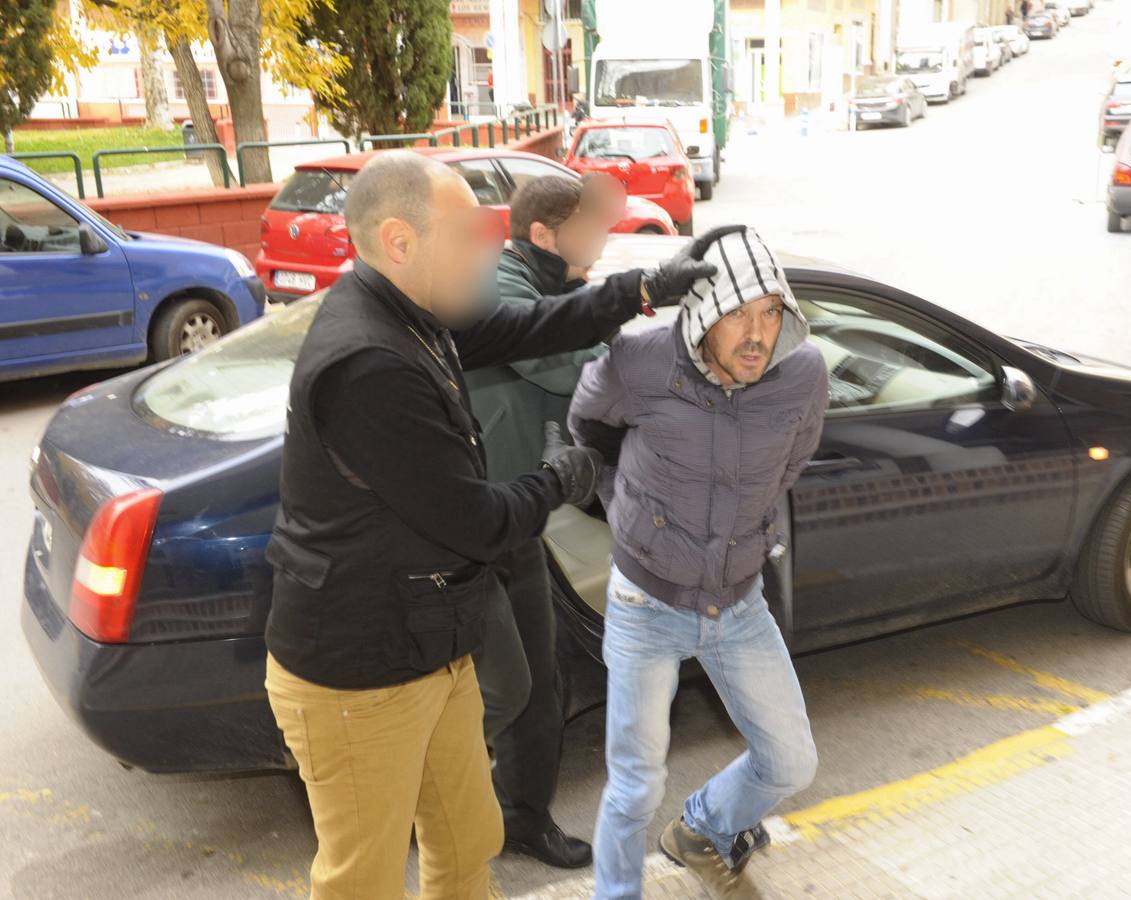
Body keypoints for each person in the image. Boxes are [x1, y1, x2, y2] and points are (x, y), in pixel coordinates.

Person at [262, 150, 718, 900]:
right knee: (362, 882)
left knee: (467, 841)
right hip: (358, 674)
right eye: (468, 234)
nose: (487, 250)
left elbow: (528, 326)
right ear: (401, 243)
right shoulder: (369, 362)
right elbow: (474, 521)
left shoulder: (411, 313)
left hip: (427, 646)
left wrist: (639, 288)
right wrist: (560, 478)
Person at [569, 226, 829, 899]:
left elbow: (790, 463)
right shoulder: (638, 363)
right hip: (644, 605)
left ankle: (704, 827)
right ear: (701, 313)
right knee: (635, 783)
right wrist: (623, 511)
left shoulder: (803, 375)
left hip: (738, 604)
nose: (757, 334)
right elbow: (588, 429)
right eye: (738, 312)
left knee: (792, 760)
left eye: (771, 312)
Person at [465, 173, 624, 869]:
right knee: (495, 689)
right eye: (590, 229)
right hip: (469, 527)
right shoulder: (501, 290)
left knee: (539, 679)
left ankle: (522, 817)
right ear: (541, 234)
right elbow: (570, 370)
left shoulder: (551, 284)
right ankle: (433, 799)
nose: (603, 240)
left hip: (519, 519)